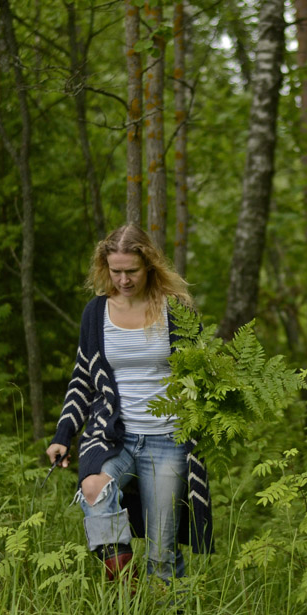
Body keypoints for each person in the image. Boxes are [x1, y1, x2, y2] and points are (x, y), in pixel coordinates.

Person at [46, 224, 212, 587]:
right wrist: (63, 434)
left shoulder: (176, 310)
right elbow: (83, 379)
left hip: (168, 439)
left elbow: (203, 373)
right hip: (112, 435)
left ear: (149, 265)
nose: (123, 279)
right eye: (115, 271)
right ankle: (126, 587)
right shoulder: (96, 313)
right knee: (93, 488)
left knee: (161, 549)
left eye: (131, 271)